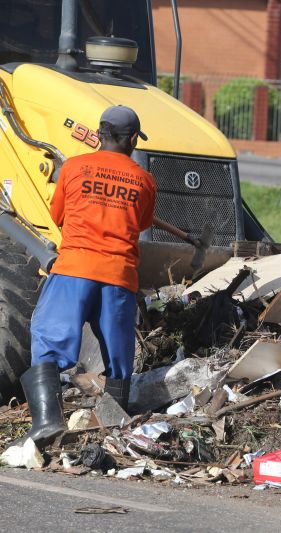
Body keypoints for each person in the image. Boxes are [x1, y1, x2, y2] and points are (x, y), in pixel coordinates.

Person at [21, 105, 156, 447]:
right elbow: (140, 224)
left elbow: (58, 215)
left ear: (100, 133)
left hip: (74, 269)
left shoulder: (74, 167)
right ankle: (112, 430)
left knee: (50, 338)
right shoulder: (143, 179)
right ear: (131, 140)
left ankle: (48, 422)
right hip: (119, 275)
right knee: (117, 354)